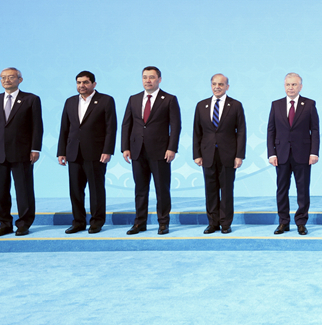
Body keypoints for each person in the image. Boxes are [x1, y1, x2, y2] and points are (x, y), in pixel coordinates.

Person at [121, 66, 181, 235]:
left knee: (162, 189)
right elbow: (126, 124)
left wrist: (172, 148)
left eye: (152, 77)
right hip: (137, 151)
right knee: (140, 189)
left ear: (159, 79)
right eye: (145, 77)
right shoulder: (133, 99)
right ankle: (139, 223)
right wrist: (125, 147)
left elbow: (175, 126)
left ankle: (163, 223)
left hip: (160, 151)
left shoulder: (169, 99)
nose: (148, 80)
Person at [56, 71, 117, 234]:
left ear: (94, 84)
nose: (81, 85)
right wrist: (61, 151)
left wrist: (107, 150)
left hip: (96, 153)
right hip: (73, 153)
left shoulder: (106, 100)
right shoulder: (70, 102)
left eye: (85, 82)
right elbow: (64, 128)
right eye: (78, 82)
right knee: (75, 190)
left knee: (96, 190)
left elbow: (111, 128)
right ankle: (78, 222)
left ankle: (97, 222)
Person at [0, 67, 42, 237]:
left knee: (23, 189)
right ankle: (4, 224)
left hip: (22, 151)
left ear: (20, 80)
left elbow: (37, 127)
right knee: (0, 190)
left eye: (10, 77)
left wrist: (35, 148)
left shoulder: (31, 99)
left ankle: (24, 223)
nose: (6, 80)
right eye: (3, 77)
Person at [193, 73, 246, 235]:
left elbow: (241, 132)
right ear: (211, 86)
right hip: (207, 154)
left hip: (228, 155)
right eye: (214, 84)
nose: (217, 87)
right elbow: (197, 132)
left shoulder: (235, 105)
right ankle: (212, 223)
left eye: (221, 84)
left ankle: (225, 223)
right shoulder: (201, 105)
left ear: (227, 87)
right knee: (210, 190)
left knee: (227, 190)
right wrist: (197, 154)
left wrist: (239, 155)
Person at [267, 73, 319, 235]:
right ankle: (283, 222)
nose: (291, 88)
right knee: (281, 189)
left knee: (302, 189)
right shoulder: (276, 105)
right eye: (288, 85)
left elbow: (315, 130)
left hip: (303, 154)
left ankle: (301, 222)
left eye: (294, 85)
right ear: (284, 86)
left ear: (300, 87)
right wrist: (271, 153)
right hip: (281, 154)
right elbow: (271, 131)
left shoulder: (309, 104)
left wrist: (314, 152)